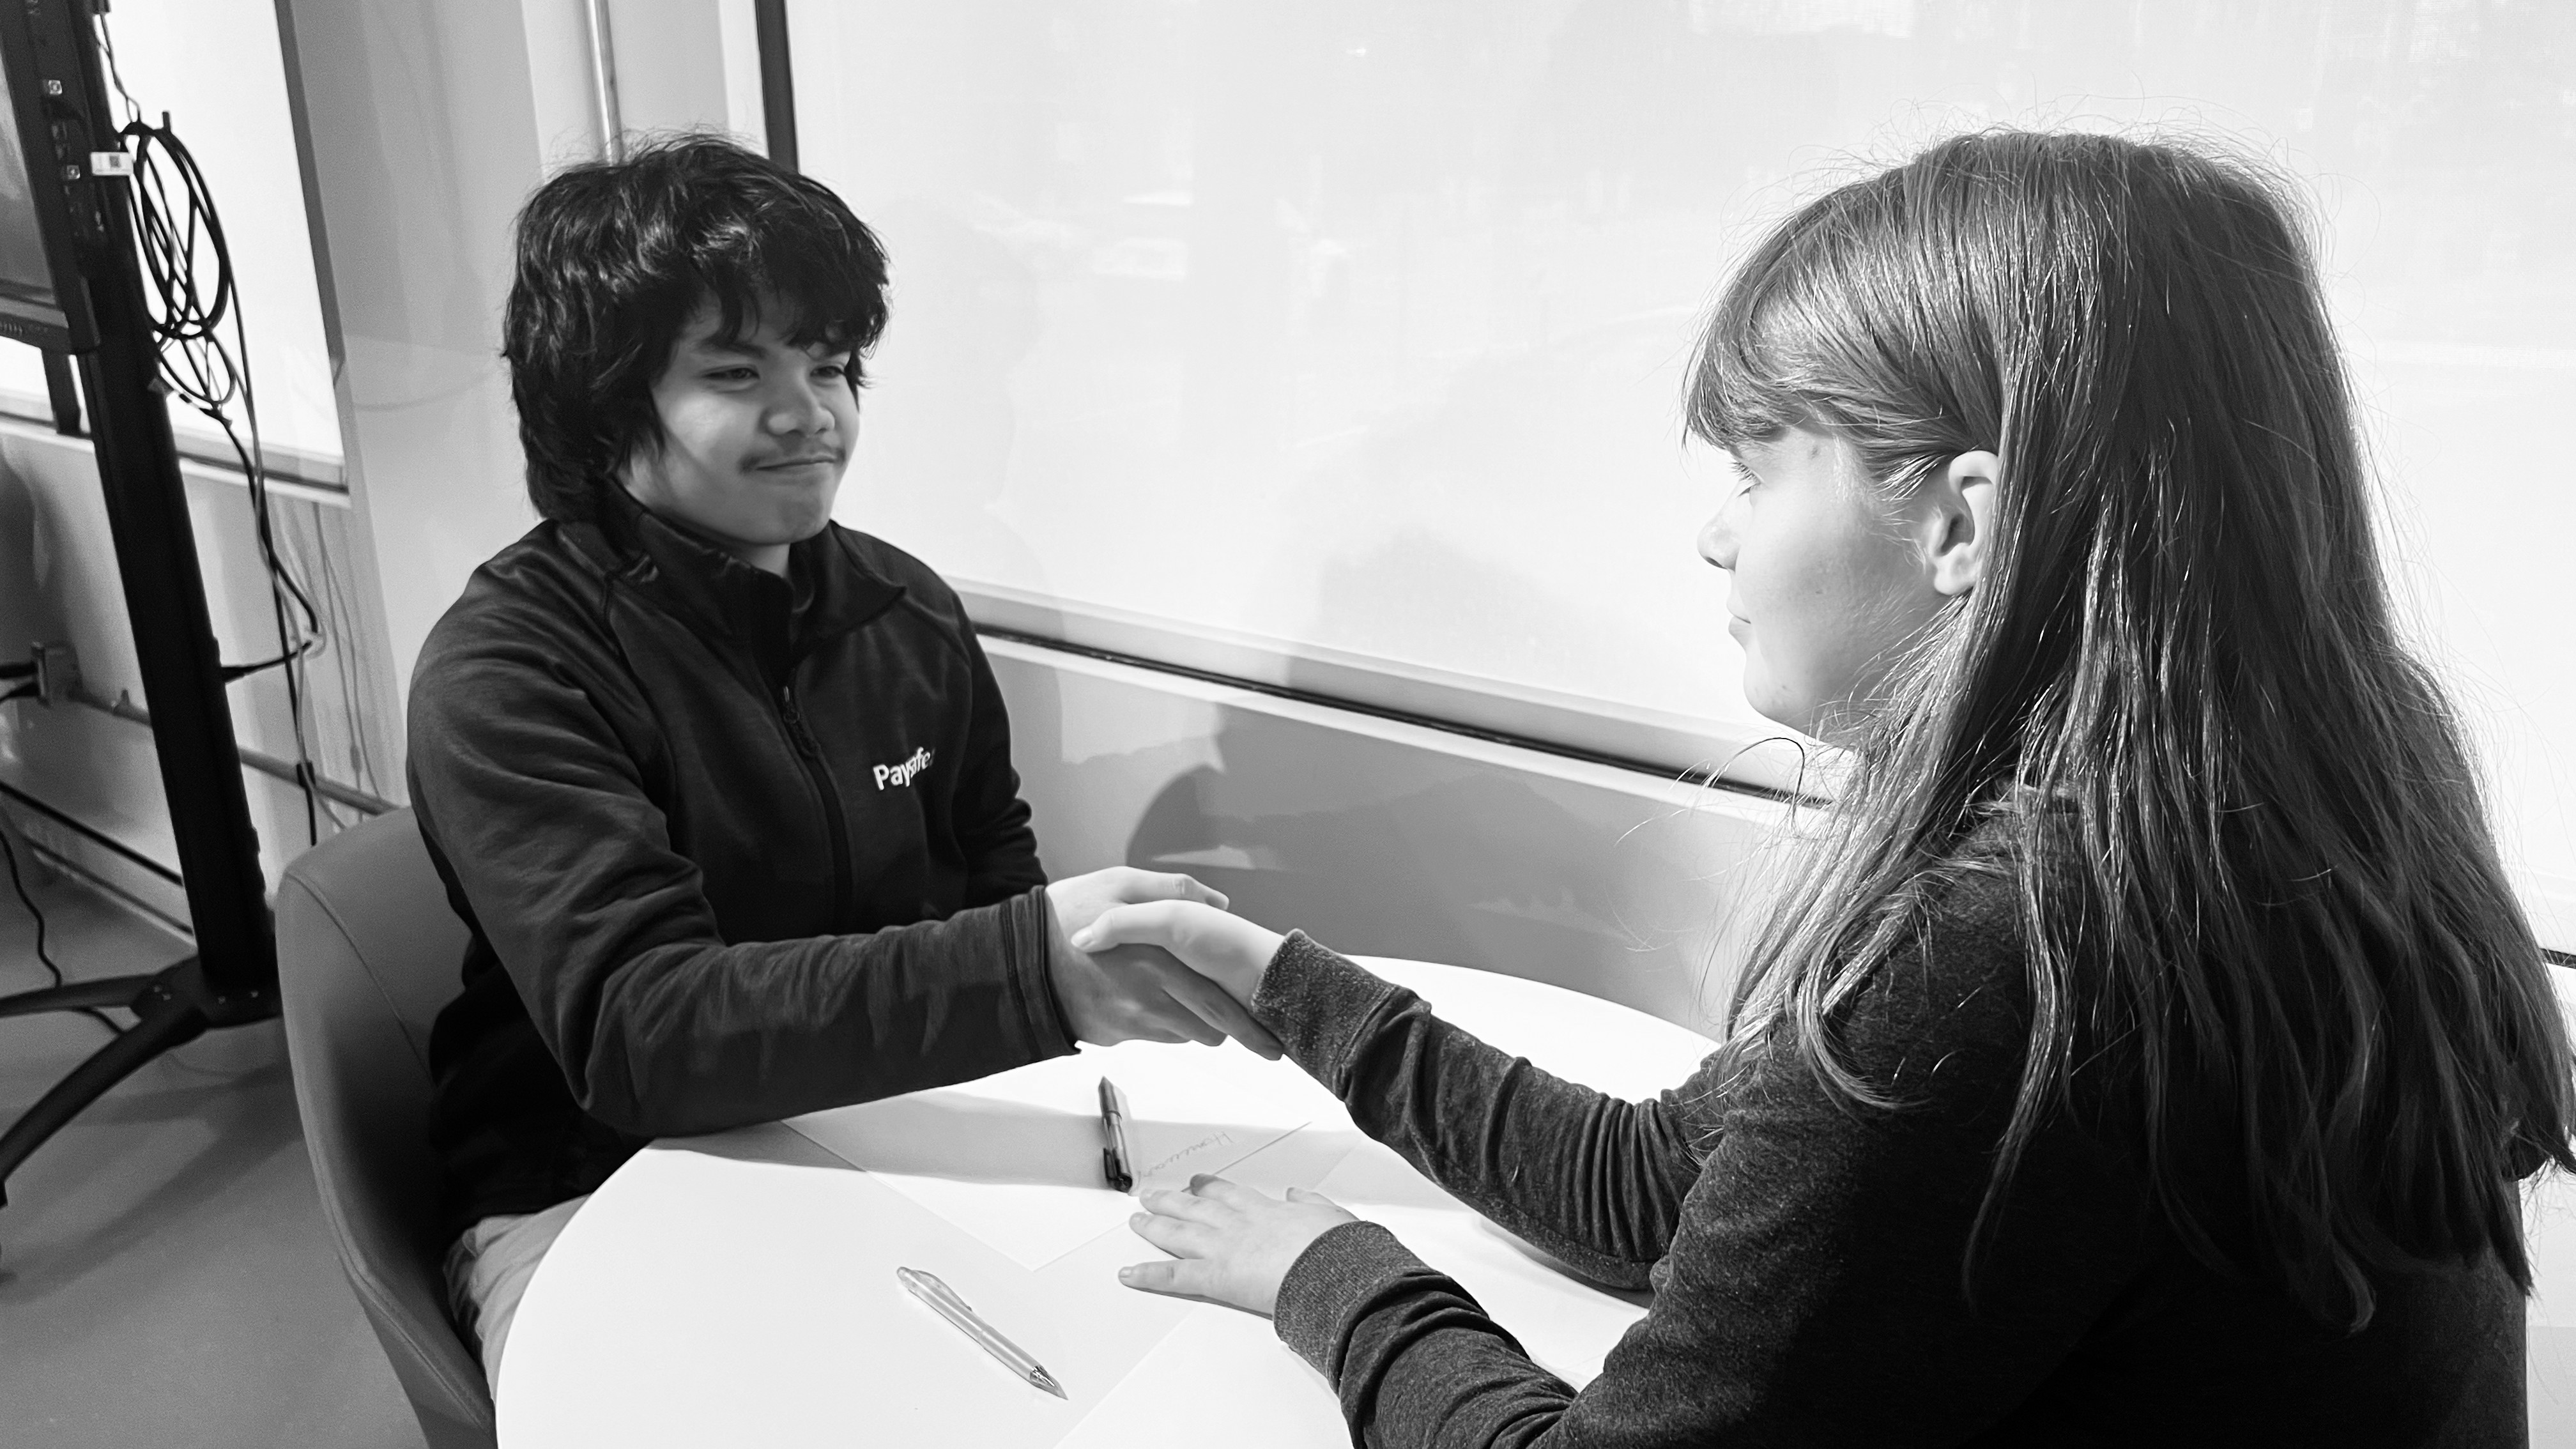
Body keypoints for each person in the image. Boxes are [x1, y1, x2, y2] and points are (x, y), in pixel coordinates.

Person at [1070, 130, 2575, 1444]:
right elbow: (1664, 1183)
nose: (1716, 537)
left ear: (1964, 526)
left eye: (1759, 470)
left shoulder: (2016, 953)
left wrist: (1335, 1277)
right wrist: (1287, 987)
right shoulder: (2283, 810)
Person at [407, 135, 1275, 1388]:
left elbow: (993, 873)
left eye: (829, 365)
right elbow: (644, 1036)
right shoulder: (515, 665)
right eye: (735, 371)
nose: (810, 413)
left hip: (877, 1133)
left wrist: (1060, 976)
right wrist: (1030, 971)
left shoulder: (903, 612)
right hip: (588, 1181)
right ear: (604, 402)